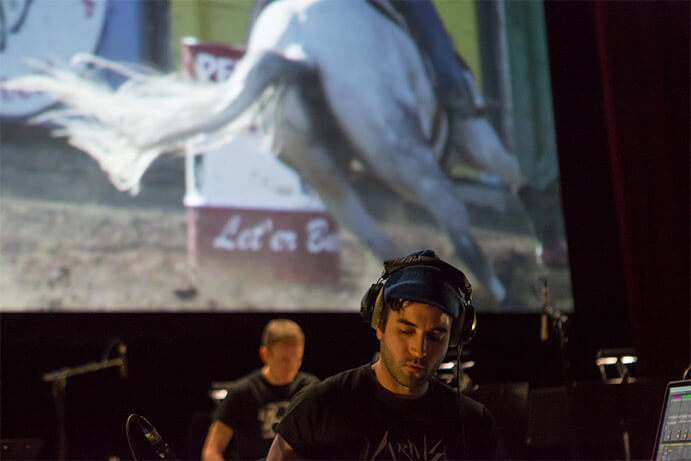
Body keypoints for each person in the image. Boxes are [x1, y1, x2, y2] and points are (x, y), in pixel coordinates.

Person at [267, 250, 498, 460]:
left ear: (454, 338)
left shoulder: (473, 422)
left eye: (435, 336)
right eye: (406, 331)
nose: (420, 349)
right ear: (380, 325)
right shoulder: (320, 406)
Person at [202, 319, 319, 460]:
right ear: (265, 355)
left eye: (298, 358)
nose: (292, 366)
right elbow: (212, 450)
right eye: (284, 360)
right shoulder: (243, 392)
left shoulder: (310, 389)